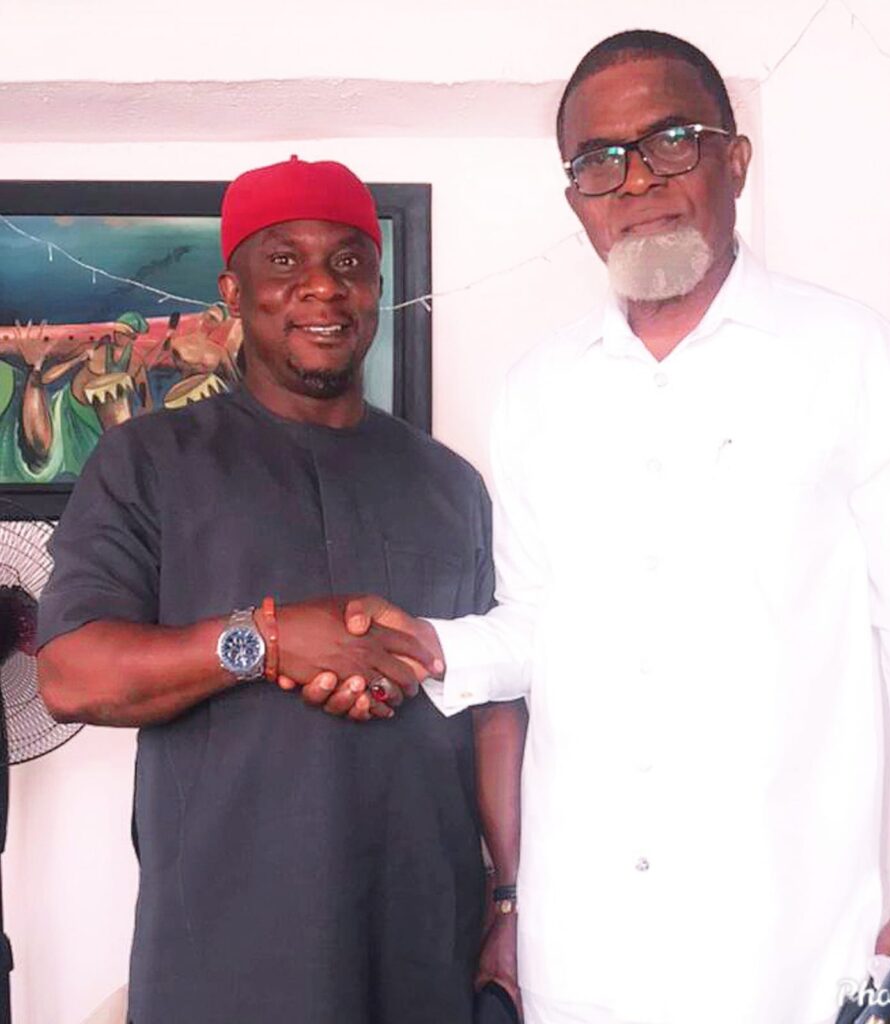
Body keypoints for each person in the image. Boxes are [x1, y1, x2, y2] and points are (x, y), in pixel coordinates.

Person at [329, 31, 890, 1024]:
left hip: (781, 944)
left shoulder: (856, 363)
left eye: (671, 141)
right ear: (577, 201)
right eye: (600, 160)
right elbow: (536, 624)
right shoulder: (537, 393)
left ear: (736, 160)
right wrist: (429, 647)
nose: (637, 179)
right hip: (584, 946)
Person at [36, 156, 525, 1024]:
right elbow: (71, 674)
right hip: (222, 958)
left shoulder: (450, 485)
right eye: (285, 261)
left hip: (423, 946)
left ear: (377, 287)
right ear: (233, 291)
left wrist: (512, 900)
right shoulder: (149, 461)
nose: (322, 287)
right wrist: (263, 642)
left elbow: (495, 707)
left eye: (348, 261)